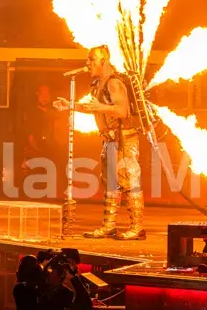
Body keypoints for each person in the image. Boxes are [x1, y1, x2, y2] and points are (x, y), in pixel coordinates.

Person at [53, 46, 145, 240]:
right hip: (109, 139)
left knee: (129, 181)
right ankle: (108, 226)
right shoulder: (98, 83)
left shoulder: (114, 83)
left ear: (104, 61)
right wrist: (70, 105)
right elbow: (96, 108)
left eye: (92, 60)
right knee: (110, 183)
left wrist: (100, 106)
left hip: (124, 139)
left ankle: (137, 228)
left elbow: (122, 112)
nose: (88, 63)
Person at [13, 253, 93, 310]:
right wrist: (73, 277)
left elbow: (32, 281)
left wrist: (43, 264)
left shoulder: (19, 290)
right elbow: (87, 305)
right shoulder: (55, 293)